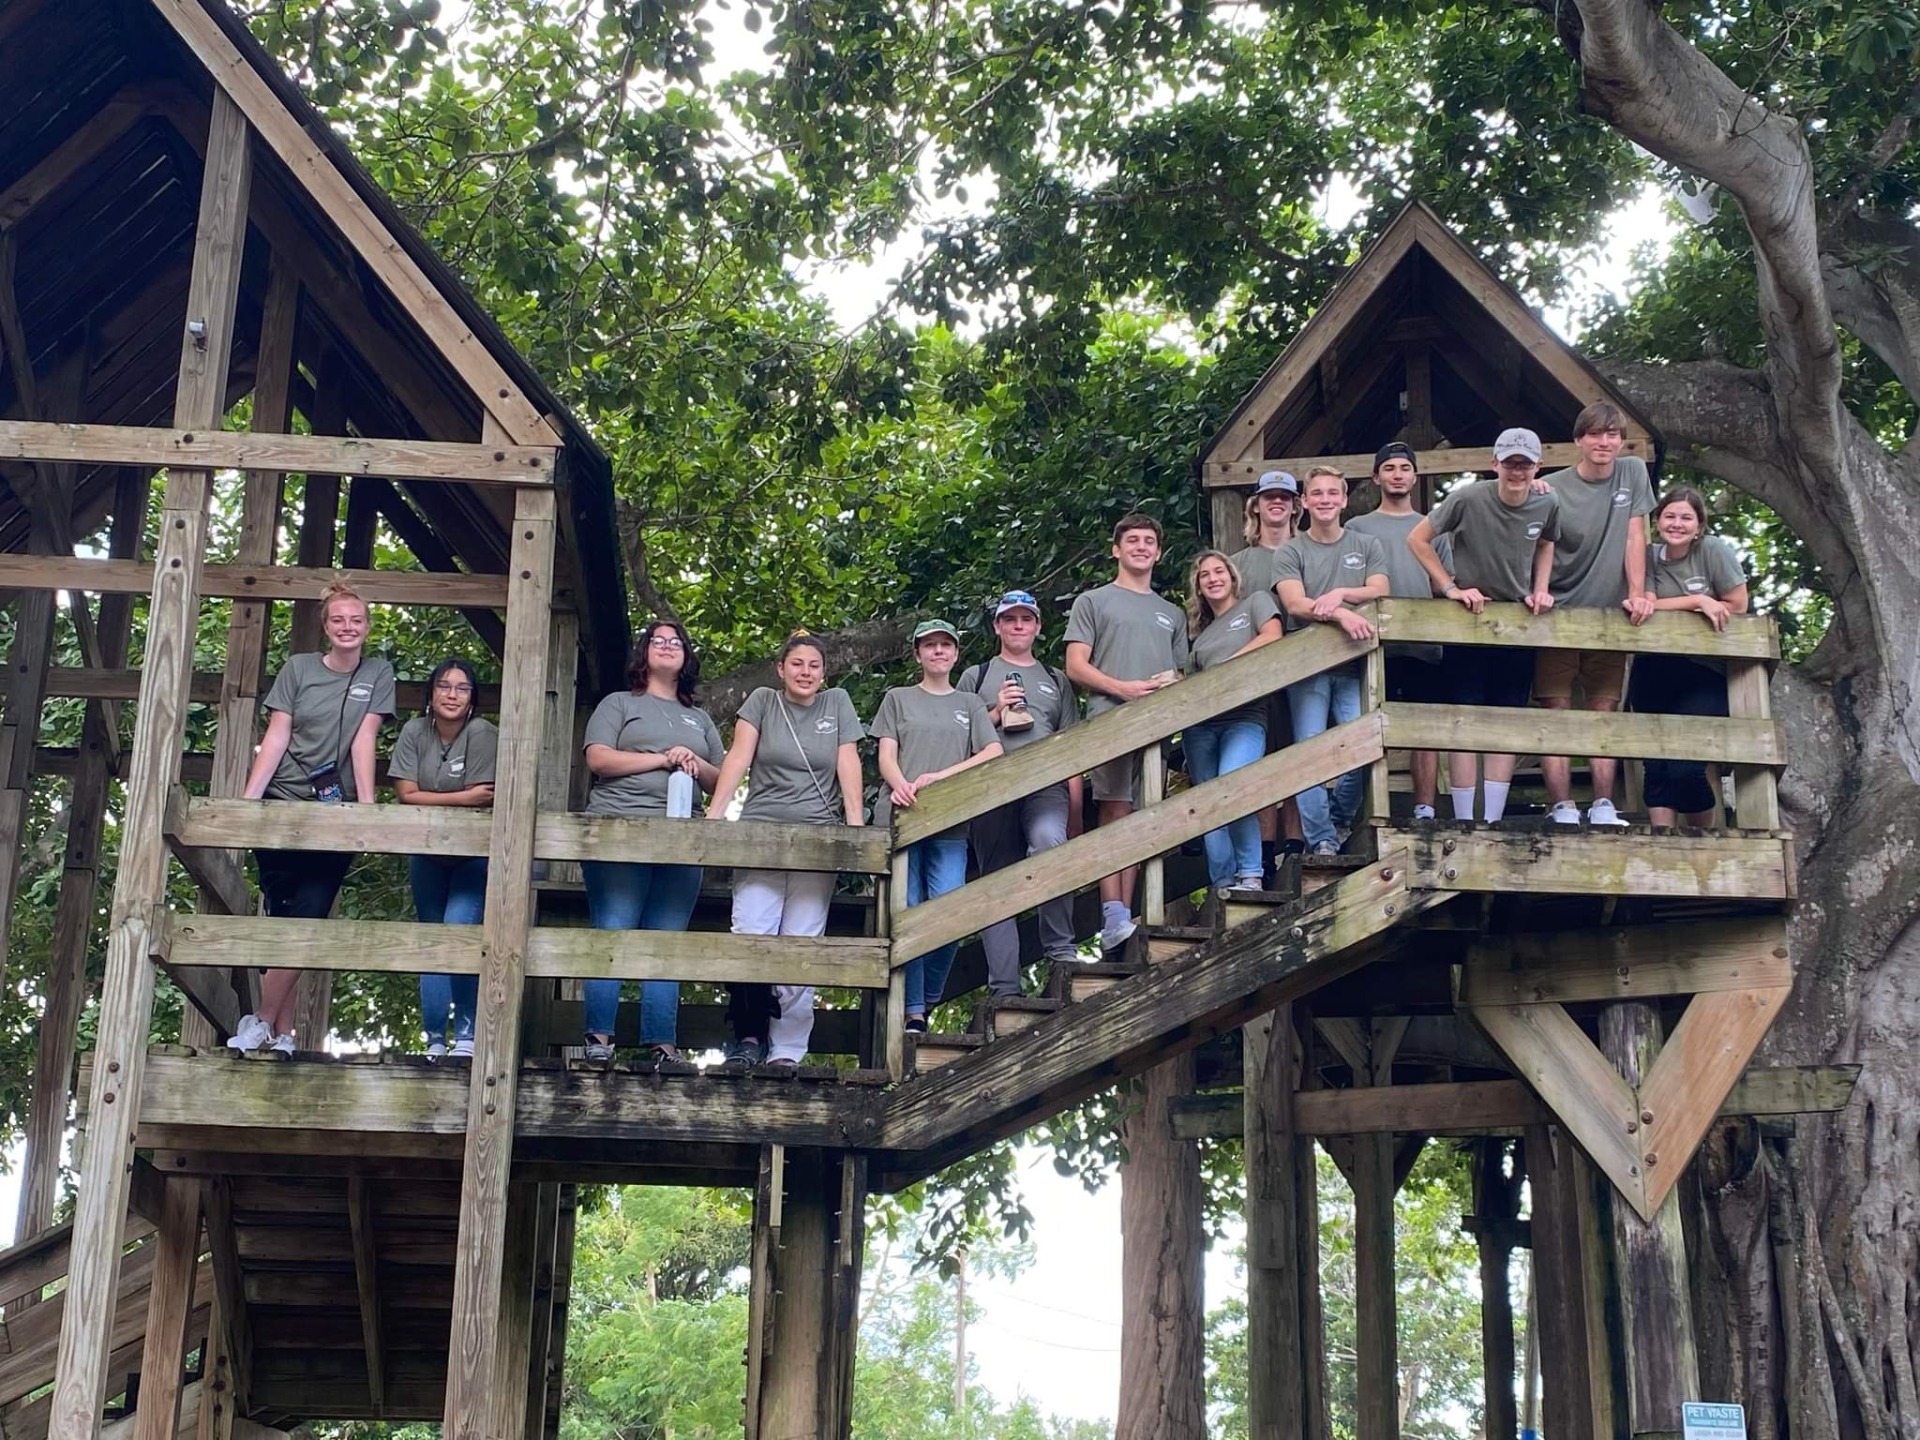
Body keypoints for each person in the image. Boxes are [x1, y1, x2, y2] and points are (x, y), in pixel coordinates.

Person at [229, 582, 395, 1054]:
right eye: (338, 619)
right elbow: (277, 734)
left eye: (356, 620)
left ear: (366, 626)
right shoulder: (299, 668)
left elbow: (366, 739)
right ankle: (281, 1033)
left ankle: (259, 1019)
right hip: (283, 800)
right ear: (325, 626)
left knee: (313, 911)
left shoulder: (378, 673)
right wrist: (247, 802)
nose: (348, 627)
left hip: (333, 811)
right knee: (283, 913)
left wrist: (365, 807)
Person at [707, 630, 865, 1067]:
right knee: (751, 932)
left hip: (818, 837)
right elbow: (738, 756)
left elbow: (848, 763)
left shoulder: (837, 704)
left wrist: (855, 828)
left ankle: (789, 1050)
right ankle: (749, 1037)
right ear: (781, 669)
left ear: (824, 672)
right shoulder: (762, 701)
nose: (806, 672)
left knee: (803, 943)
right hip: (762, 832)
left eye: (814, 665)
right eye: (797, 664)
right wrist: (714, 816)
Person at [577, 621, 724, 1063]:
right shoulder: (619, 704)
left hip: (682, 838)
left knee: (668, 939)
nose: (667, 646)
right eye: (657, 641)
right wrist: (662, 758)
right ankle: (599, 1040)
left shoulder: (698, 719)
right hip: (619, 830)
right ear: (644, 653)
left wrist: (692, 758)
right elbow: (597, 758)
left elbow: (722, 780)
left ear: (686, 657)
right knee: (615, 929)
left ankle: (661, 1043)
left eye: (675, 642)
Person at [1408, 427, 1560, 823]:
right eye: (1510, 462)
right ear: (1495, 464)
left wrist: (1540, 590)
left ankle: (1491, 819)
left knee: (1504, 721)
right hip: (1468, 621)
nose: (1517, 471)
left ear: (1537, 467)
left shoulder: (1547, 502)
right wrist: (1450, 587)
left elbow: (1547, 542)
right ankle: (1463, 819)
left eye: (1525, 464)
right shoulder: (1467, 498)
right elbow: (1418, 539)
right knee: (1464, 720)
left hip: (1516, 621)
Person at [1064, 513, 1189, 950]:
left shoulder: (1171, 612)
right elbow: (1076, 665)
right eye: (1132, 540)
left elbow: (1181, 671)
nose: (1141, 547)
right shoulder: (1093, 601)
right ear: (1116, 549)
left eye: (1149, 541)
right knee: (1113, 812)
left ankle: (1126, 916)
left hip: (1157, 728)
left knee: (1142, 815)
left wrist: (1172, 684)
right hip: (1110, 721)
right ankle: (1111, 911)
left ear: (1158, 552)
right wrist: (1123, 689)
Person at [873, 620, 1003, 1030]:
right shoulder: (898, 698)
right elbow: (886, 754)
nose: (938, 652)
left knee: (949, 910)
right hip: (903, 816)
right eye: (930, 646)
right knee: (908, 911)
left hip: (950, 819)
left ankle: (927, 994)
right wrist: (900, 785)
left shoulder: (969, 704)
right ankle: (913, 1012)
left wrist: (941, 778)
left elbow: (992, 751)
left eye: (945, 645)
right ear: (918, 654)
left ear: (955, 654)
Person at [958, 591, 1086, 997]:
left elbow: (1073, 748)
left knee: (1051, 843)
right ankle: (1004, 987)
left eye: (1025, 619)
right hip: (990, 790)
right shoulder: (974, 678)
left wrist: (1077, 810)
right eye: (1009, 619)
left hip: (1046, 787)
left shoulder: (1055, 679)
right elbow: (957, 743)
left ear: (1037, 627)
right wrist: (994, 712)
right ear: (997, 626)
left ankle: (1061, 952)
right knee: (997, 882)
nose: (1017, 626)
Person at [1535, 402, 1656, 826]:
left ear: (1621, 441)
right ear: (1578, 440)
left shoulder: (1633, 472)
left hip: (1611, 613)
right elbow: (1539, 542)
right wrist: (1540, 592)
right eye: (1595, 434)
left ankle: (1604, 804)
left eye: (1612, 435)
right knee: (1557, 710)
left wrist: (1639, 593)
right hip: (1559, 610)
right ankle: (1562, 806)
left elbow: (1635, 533)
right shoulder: (1550, 487)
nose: (1604, 443)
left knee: (1605, 710)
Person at [1273, 466, 1389, 855]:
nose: (1324, 500)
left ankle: (1338, 818)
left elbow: (1380, 589)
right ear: (1303, 502)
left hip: (1354, 664)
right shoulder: (1291, 550)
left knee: (1365, 743)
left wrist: (1339, 593)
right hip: (1307, 668)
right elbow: (1295, 603)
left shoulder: (1366, 544)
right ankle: (1321, 839)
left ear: (1343, 500)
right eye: (1316, 493)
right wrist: (1339, 614)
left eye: (1332, 493)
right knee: (1310, 753)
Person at [390, 656, 497, 1058]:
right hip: (427, 851)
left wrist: (432, 798)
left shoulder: (482, 732)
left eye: (462, 687)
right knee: (431, 941)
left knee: (459, 932)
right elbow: (404, 794)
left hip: (472, 855)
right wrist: (461, 798)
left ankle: (467, 1035)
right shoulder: (414, 731)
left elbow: (484, 794)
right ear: (431, 694)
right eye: (444, 686)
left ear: (472, 698)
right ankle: (435, 1038)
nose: (452, 694)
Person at [1629, 488, 1749, 826]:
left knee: (1686, 764)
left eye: (1686, 517)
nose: (1676, 524)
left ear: (1699, 526)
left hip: (1704, 671)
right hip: (1653, 667)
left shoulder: (1712, 551)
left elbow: (1738, 605)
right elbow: (1646, 602)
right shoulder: (1649, 555)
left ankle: (1701, 844)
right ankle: (1663, 845)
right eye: (1669, 515)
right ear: (1657, 521)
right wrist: (1698, 601)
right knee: (1656, 765)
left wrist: (1709, 602)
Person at [1346, 442, 1449, 820]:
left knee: (1424, 729)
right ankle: (1371, 809)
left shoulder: (1434, 526)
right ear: (1376, 477)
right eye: (1389, 468)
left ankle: (1425, 808)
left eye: (1404, 468)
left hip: (1425, 645)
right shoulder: (1356, 528)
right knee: (1371, 729)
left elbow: (1445, 586)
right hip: (1372, 646)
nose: (1397, 474)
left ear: (1414, 476)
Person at [1182, 550, 1283, 888]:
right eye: (1204, 575)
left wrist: (1227, 669)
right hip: (1201, 727)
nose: (1213, 578)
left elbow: (1272, 637)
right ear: (1198, 586)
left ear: (1232, 575)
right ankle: (1222, 883)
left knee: (1233, 786)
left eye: (1218, 571)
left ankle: (1251, 873)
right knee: (1209, 805)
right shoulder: (1200, 636)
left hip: (1246, 717)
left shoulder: (1255, 602)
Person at [1228, 470, 1307, 872]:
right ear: (1255, 505)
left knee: (1298, 753)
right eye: (1269, 496)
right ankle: (1262, 851)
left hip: (1307, 667)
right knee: (1260, 759)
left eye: (1285, 497)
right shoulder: (1238, 563)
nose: (1277, 503)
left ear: (1296, 505)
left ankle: (1296, 842)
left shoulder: (1311, 549)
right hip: (1256, 673)